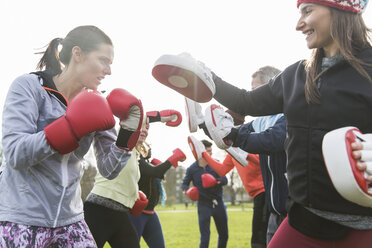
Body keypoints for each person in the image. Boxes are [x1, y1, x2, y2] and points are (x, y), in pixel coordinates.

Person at [208, 1, 372, 247]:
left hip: (363, 229)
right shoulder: (297, 75)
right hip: (303, 223)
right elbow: (246, 101)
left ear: (342, 10)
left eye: (307, 11)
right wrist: (204, 77)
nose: (298, 24)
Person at [0, 25, 143, 247]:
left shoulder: (98, 104)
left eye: (111, 64)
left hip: (71, 219)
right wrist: (69, 127)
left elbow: (109, 169)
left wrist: (127, 134)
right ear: (78, 54)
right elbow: (15, 153)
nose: (109, 71)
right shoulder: (30, 87)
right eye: (103, 60)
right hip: (22, 216)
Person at [84, 117, 186, 248]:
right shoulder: (121, 143)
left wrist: (133, 196)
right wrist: (161, 116)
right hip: (99, 209)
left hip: (121, 212)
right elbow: (133, 114)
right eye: (141, 126)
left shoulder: (135, 155)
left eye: (147, 128)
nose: (145, 131)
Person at [129, 143, 185, 248]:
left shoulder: (147, 163)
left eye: (149, 146)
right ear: (138, 148)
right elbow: (156, 172)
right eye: (146, 146)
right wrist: (173, 158)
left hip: (151, 214)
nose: (149, 148)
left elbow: (157, 172)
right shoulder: (137, 162)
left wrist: (163, 165)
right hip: (136, 214)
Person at [182, 139, 229, 248]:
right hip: (203, 205)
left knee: (224, 234)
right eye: (208, 151)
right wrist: (187, 191)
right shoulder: (192, 169)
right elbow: (184, 184)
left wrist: (216, 181)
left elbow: (225, 180)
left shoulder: (216, 164)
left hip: (218, 203)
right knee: (205, 237)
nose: (211, 154)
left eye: (211, 151)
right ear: (201, 152)